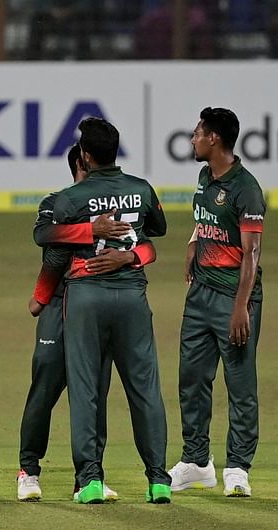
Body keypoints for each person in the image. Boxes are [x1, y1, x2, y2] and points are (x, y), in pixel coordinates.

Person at [16, 144, 159, 502]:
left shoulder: (120, 203)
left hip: (93, 303)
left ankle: (90, 476)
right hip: (60, 304)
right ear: (81, 166)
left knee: (94, 390)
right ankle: (28, 469)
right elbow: (52, 254)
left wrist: (128, 254)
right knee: (46, 385)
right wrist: (41, 296)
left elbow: (148, 245)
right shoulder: (57, 204)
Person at [51, 117, 170, 504]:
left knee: (86, 389)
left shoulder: (72, 198)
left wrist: (87, 231)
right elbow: (159, 228)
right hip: (132, 298)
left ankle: (90, 481)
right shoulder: (140, 189)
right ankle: (157, 481)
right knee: (145, 389)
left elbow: (44, 235)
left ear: (84, 156)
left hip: (86, 297)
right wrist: (132, 254)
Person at [168, 107, 265, 498]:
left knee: (240, 386)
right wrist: (194, 243)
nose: (191, 139)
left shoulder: (247, 189)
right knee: (191, 380)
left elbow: (252, 254)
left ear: (215, 140)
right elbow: (204, 217)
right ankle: (197, 462)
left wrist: (241, 307)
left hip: (233, 299)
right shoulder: (204, 176)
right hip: (200, 296)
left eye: (197, 133)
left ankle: (238, 467)